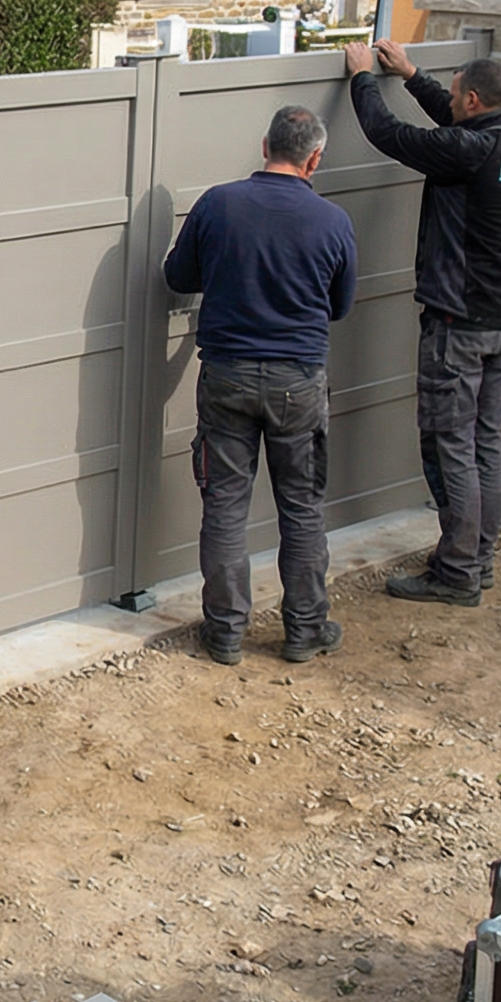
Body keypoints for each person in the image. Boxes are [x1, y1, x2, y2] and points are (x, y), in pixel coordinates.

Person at [344, 40, 501, 607]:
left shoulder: (470, 150)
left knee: (450, 445)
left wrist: (363, 79)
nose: (450, 102)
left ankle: (456, 571)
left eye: (455, 96)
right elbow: (455, 130)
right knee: (482, 444)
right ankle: (477, 559)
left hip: (456, 324)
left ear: (473, 100)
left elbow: (391, 136)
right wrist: (411, 75)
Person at [164, 105, 358, 666]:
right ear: (315, 158)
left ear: (264, 143)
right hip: (299, 381)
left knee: (225, 506)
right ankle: (304, 630)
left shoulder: (219, 204)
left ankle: (224, 633)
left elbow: (177, 276)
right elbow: (339, 307)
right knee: (301, 509)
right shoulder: (332, 221)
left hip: (227, 376)